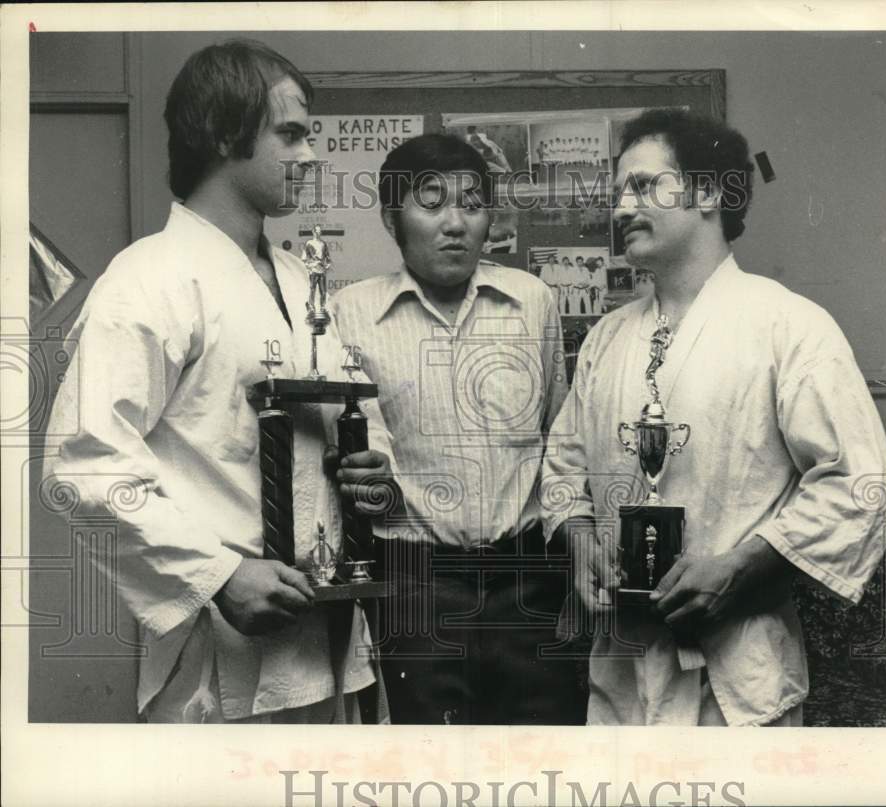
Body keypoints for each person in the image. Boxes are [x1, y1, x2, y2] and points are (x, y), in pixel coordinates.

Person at [43, 40, 397, 724]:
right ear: (224, 134)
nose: (311, 156)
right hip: (223, 657)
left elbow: (351, 422)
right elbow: (83, 462)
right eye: (290, 135)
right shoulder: (148, 278)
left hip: (331, 641)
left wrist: (370, 468)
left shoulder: (301, 281)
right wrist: (218, 575)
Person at [540, 108, 886, 726]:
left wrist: (742, 568)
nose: (621, 208)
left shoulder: (788, 326)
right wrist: (579, 538)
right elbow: (564, 465)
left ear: (708, 192)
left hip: (739, 680)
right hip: (621, 675)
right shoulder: (606, 339)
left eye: (643, 186)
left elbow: (859, 485)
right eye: (618, 192)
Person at [332, 133, 585, 725]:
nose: (455, 224)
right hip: (414, 584)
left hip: (528, 579)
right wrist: (367, 476)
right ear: (391, 218)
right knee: (429, 758)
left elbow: (561, 439)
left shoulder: (532, 301)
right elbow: (358, 446)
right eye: (431, 203)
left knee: (544, 755)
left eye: (472, 204)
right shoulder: (351, 313)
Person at [301, 223, 331, 312]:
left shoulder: (323, 244)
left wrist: (327, 265)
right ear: (313, 232)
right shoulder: (309, 243)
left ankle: (323, 307)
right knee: (312, 289)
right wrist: (311, 266)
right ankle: (311, 306)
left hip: (322, 271)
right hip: (313, 271)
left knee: (323, 290)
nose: (318, 233)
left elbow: (328, 257)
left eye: (319, 231)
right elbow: (304, 258)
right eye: (317, 231)